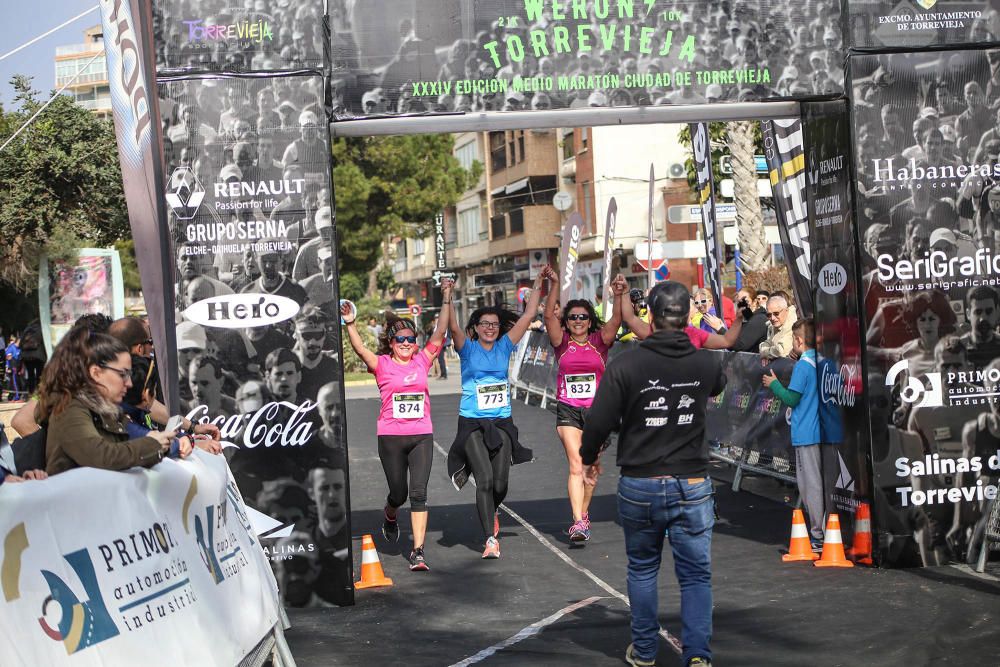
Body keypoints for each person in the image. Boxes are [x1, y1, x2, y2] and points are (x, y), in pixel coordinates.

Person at [580, 281, 725, 667]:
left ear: (652, 316)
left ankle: (645, 651)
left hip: (640, 481)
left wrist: (588, 456)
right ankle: (697, 655)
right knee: (695, 575)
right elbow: (719, 383)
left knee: (643, 569)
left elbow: (598, 421)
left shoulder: (626, 363)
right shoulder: (704, 362)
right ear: (688, 316)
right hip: (691, 482)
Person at [341, 279, 453, 571]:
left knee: (418, 493)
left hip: (421, 436)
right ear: (391, 343)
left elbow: (440, 332)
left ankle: (418, 551)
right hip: (390, 436)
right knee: (399, 494)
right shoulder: (381, 365)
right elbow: (359, 349)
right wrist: (350, 323)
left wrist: (447, 298)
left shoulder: (423, 361)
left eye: (410, 339)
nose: (406, 344)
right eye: (400, 340)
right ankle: (390, 514)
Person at [446, 272, 541, 559]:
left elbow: (528, 316)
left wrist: (538, 285)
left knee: (500, 484)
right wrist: (447, 294)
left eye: (494, 324)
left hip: (501, 422)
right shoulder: (467, 348)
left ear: (500, 329)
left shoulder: (504, 346)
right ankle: (489, 539)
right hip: (472, 423)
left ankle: (492, 508)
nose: (490, 328)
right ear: (474, 328)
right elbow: (451, 325)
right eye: (484, 324)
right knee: (485, 480)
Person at [36, 328, 194, 476]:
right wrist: (156, 444)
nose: (129, 383)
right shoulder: (69, 409)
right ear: (96, 373)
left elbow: (135, 443)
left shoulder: (106, 411)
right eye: (123, 374)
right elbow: (100, 456)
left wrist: (173, 444)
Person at [544, 269, 625, 542]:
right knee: (576, 466)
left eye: (583, 317)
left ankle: (584, 514)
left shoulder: (600, 342)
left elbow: (617, 319)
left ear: (590, 321)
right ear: (566, 322)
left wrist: (619, 295)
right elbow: (546, 317)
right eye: (573, 317)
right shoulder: (561, 343)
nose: (578, 321)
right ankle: (578, 522)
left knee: (591, 471)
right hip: (568, 410)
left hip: (597, 412)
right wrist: (553, 284)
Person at [763, 318, 837, 550]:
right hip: (827, 431)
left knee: (810, 486)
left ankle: (818, 535)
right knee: (825, 483)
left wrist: (773, 383)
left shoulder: (803, 367)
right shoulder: (826, 362)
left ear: (798, 341)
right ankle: (827, 531)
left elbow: (791, 399)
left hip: (807, 431)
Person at [730, 287, 769, 353]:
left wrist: (720, 329)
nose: (743, 305)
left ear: (754, 302)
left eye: (746, 301)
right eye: (739, 302)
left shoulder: (759, 319)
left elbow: (740, 346)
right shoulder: (748, 318)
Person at [759, 294, 796, 359]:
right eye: (769, 315)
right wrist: (766, 354)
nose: (772, 318)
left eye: (776, 313)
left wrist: (765, 354)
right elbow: (767, 343)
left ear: (786, 311)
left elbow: (780, 351)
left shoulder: (793, 324)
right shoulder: (778, 323)